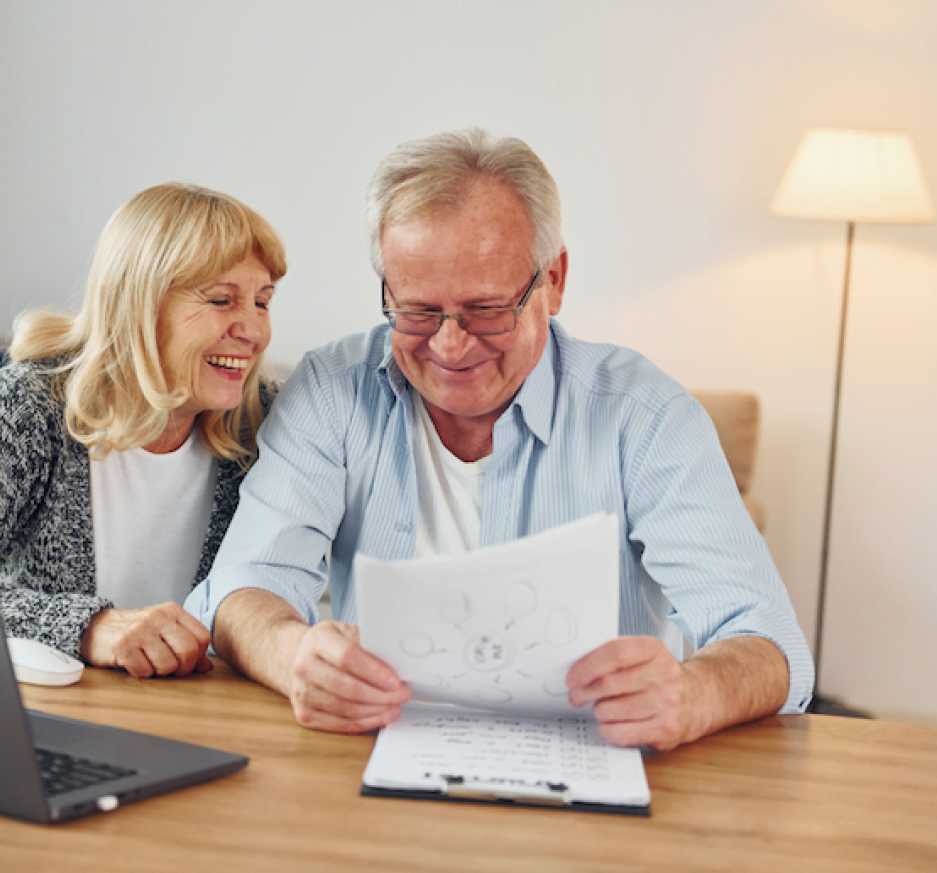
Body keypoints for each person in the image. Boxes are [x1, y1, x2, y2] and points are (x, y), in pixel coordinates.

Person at [185, 129, 813, 750]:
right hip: (371, 755)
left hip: (588, 762)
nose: (450, 346)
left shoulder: (646, 416)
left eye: (486, 310)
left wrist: (694, 693)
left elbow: (770, 642)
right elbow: (244, 588)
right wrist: (292, 653)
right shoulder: (331, 389)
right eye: (418, 311)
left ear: (555, 280)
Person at [0, 182, 286, 679]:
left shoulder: (266, 422)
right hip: (50, 711)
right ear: (138, 303)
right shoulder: (28, 404)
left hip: (202, 713)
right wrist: (88, 626)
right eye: (221, 300)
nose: (254, 330)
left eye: (261, 302)